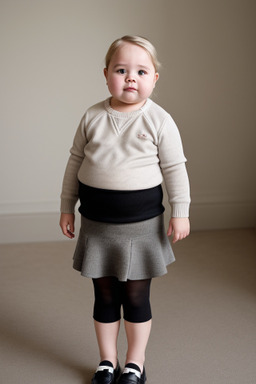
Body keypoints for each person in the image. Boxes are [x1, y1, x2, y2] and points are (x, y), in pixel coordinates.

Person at [60, 35, 190, 384]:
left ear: (154, 79)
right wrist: (66, 207)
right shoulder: (93, 116)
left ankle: (135, 362)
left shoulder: (159, 120)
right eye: (121, 70)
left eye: (141, 71)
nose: (131, 77)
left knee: (135, 296)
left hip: (141, 227)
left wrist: (180, 210)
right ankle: (107, 361)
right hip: (97, 226)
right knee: (103, 294)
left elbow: (175, 167)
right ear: (106, 75)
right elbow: (75, 162)